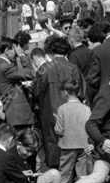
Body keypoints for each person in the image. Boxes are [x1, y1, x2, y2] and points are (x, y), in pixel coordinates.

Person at [32, 36, 83, 169]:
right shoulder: (73, 68)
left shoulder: (44, 69)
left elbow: (36, 91)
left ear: (49, 51)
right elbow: (82, 93)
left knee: (53, 149)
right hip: (73, 114)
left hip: (50, 114)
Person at [53, 75, 91, 183]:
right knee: (83, 177)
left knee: (64, 176)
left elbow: (59, 130)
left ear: (65, 92)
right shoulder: (86, 108)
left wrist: (55, 121)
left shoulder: (62, 109)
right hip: (84, 145)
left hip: (67, 146)